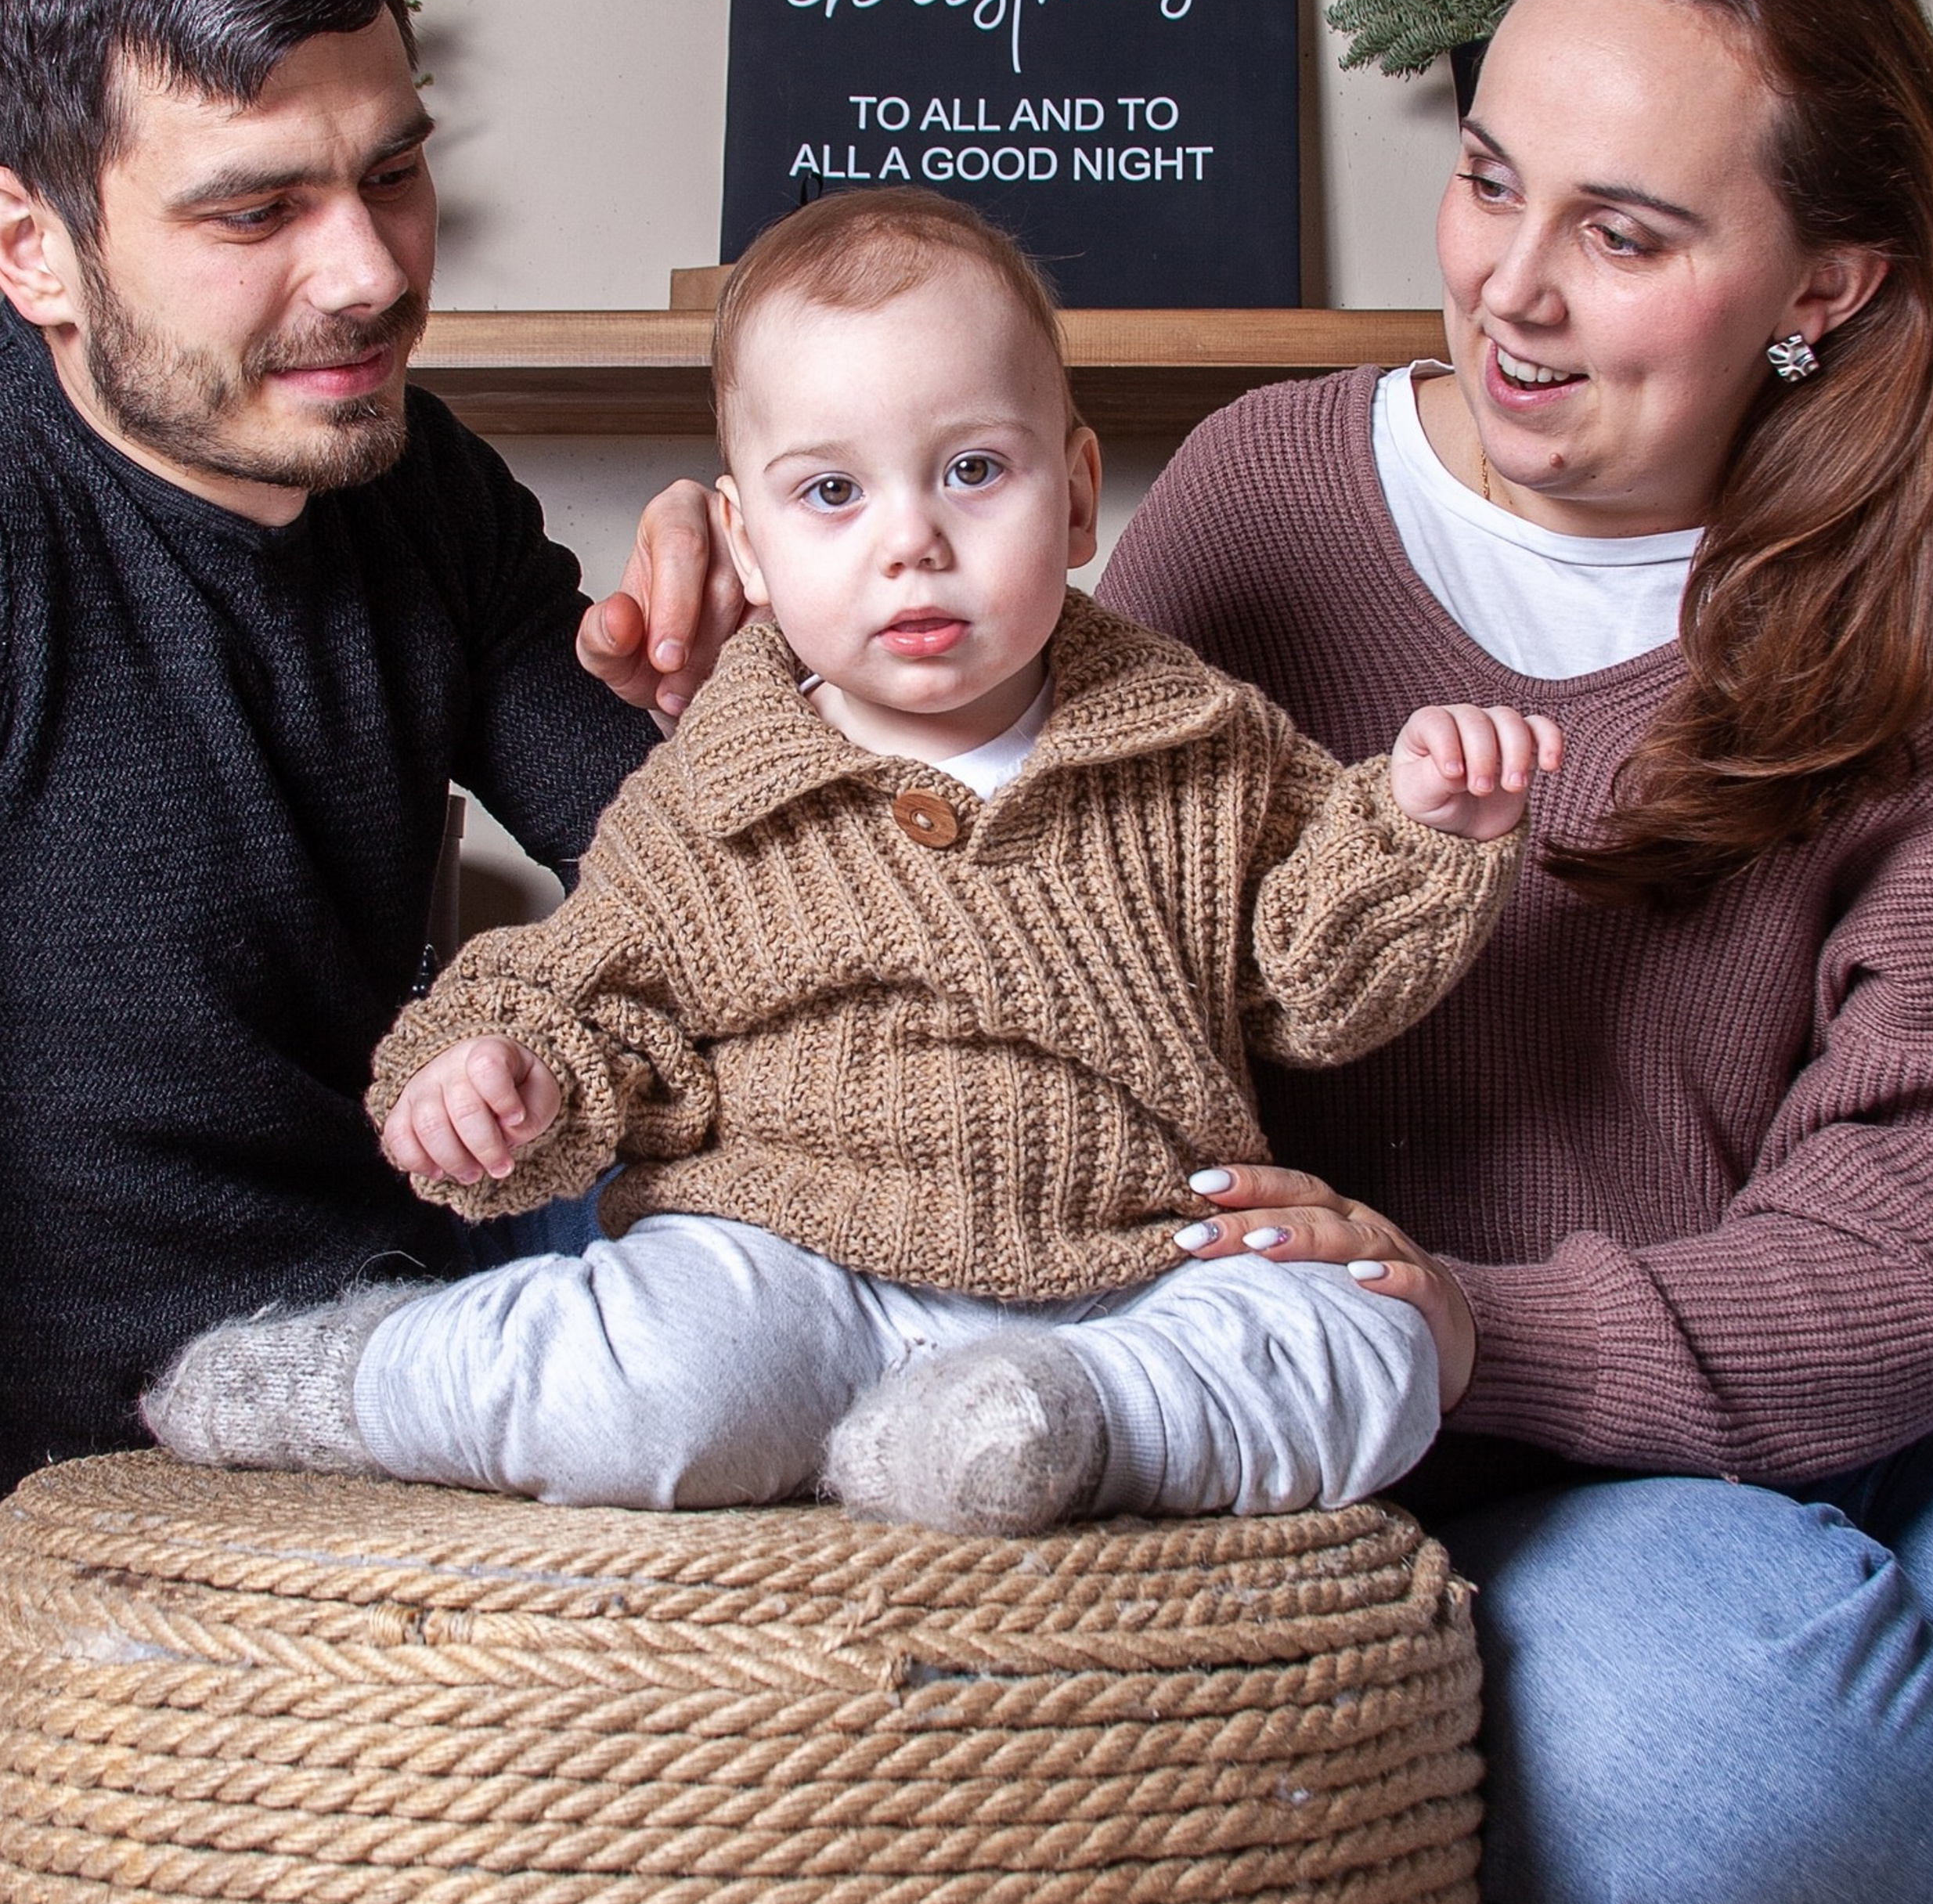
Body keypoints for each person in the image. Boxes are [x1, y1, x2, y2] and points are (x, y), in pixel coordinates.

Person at [588, 0, 1933, 1904]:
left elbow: (1924, 1241)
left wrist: (1479, 1323)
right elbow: (998, 797)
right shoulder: (1273, 490)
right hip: (1413, 1463)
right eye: (1493, 182)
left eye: (1625, 237)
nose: (1513, 292)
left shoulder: (1930, 637)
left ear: (1826, 280)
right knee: (1725, 1781)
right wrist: (765, 566)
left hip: (1770, 1379)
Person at [145, 189, 1561, 1533]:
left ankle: (1062, 1426)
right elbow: (587, 985)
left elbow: (1314, 992)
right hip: (787, 1262)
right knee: (649, 1388)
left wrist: (1419, 833)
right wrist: (501, 1072)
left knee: (1376, 1344)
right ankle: (363, 1380)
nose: (913, 543)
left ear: (1075, 496)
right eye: (832, 492)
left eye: (971, 470)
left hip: (1132, 1273)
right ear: (747, 547)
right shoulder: (721, 790)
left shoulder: (1201, 743)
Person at [0, 0, 686, 1494]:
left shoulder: (414, 477)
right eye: (255, 213)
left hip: (419, 1328)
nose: (371, 273)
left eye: (392, 170)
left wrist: (775, 678)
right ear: (34, 249)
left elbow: (692, 885)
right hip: (98, 1455)